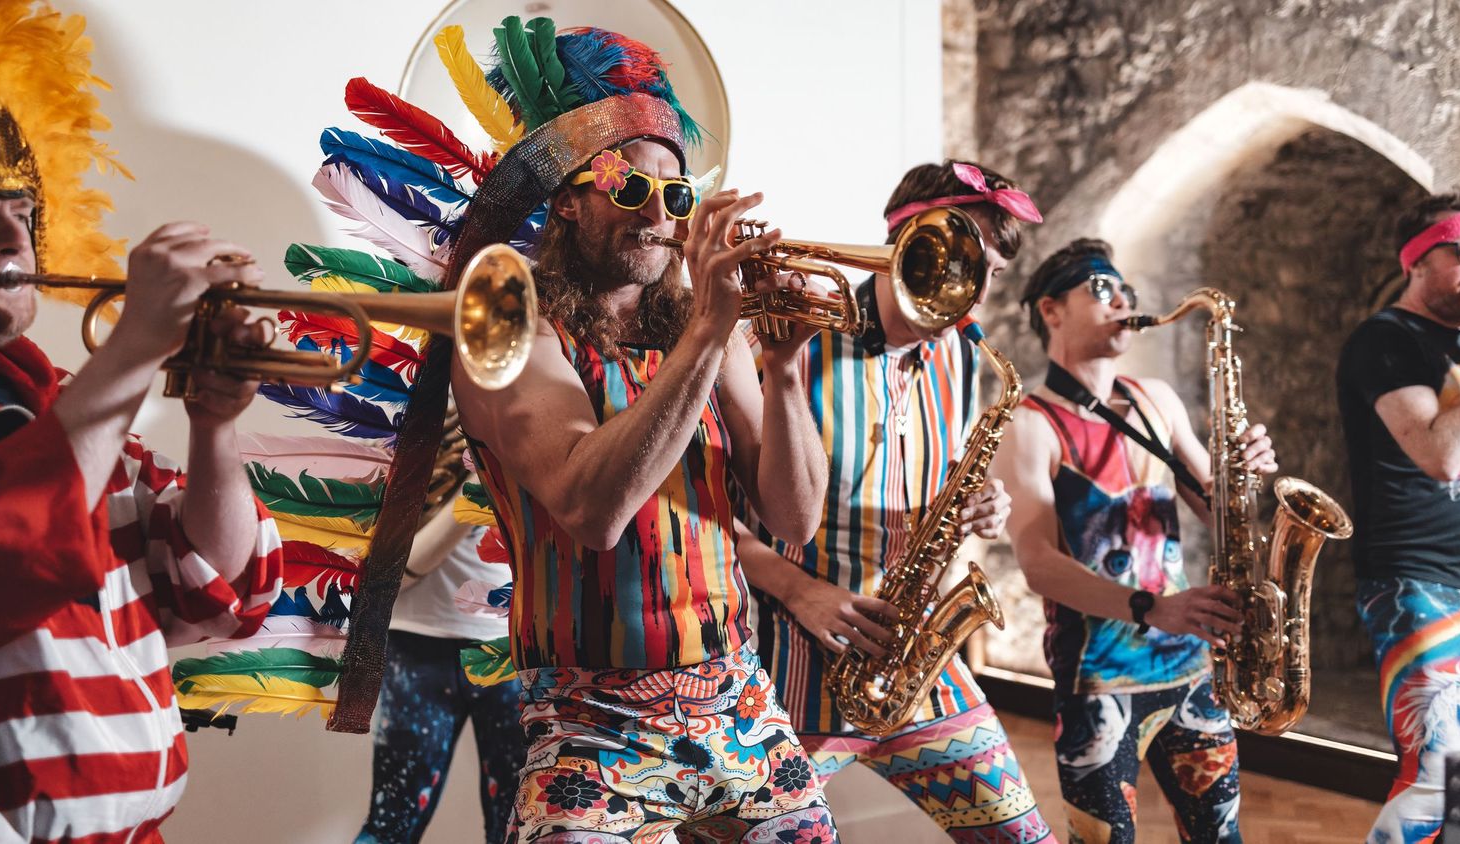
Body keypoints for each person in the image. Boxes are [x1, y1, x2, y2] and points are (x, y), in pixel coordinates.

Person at [446, 18, 836, 841]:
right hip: (590, 723)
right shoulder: (513, 331)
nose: (658, 212)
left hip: (742, 704)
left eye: (677, 194)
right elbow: (590, 510)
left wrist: (785, 368)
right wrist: (709, 329)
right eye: (629, 189)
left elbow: (796, 521)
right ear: (568, 199)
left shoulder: (711, 333)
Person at [0, 89, 282, 843]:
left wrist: (213, 426)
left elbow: (213, 597)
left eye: (20, 212)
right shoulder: (82, 411)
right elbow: (10, 558)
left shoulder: (60, 401)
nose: (8, 237)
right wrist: (134, 350)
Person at [735, 160, 1056, 842]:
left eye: (991, 275)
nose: (973, 294)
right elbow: (707, 515)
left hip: (915, 668)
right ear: (910, 238)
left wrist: (977, 506)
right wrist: (799, 590)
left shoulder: (964, 360)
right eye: (961, 259)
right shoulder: (787, 340)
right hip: (784, 669)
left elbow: (932, 487)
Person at [997, 238, 1277, 843]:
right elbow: (1038, 562)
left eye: (1127, 289)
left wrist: (1241, 476)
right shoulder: (1027, 424)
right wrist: (1155, 608)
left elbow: (1219, 511)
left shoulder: (1156, 399)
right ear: (1051, 310)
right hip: (1098, 680)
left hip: (1191, 668)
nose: (1123, 298)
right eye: (1102, 288)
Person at [1337, 190, 1460, 843]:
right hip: (1419, 583)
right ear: (1417, 260)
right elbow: (1441, 455)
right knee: (1434, 778)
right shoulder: (1384, 339)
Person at [355, 505, 524, 844]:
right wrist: (473, 484)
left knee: (517, 821)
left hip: (513, 649)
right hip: (417, 647)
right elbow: (378, 576)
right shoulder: (397, 452)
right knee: (393, 820)